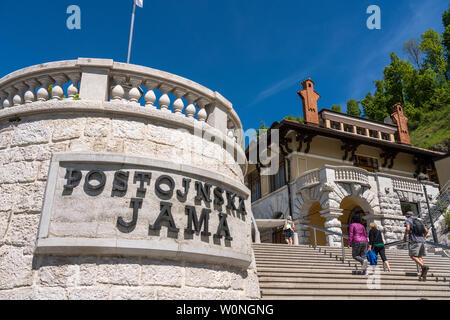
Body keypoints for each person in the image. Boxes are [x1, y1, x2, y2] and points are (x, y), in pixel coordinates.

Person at [403, 211, 429, 281]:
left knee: (412, 256)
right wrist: (423, 237)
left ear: (407, 216)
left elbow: (408, 228)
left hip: (414, 241)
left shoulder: (408, 220)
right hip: (422, 241)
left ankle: (423, 267)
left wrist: (405, 237)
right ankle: (423, 273)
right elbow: (426, 230)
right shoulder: (419, 220)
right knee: (419, 256)